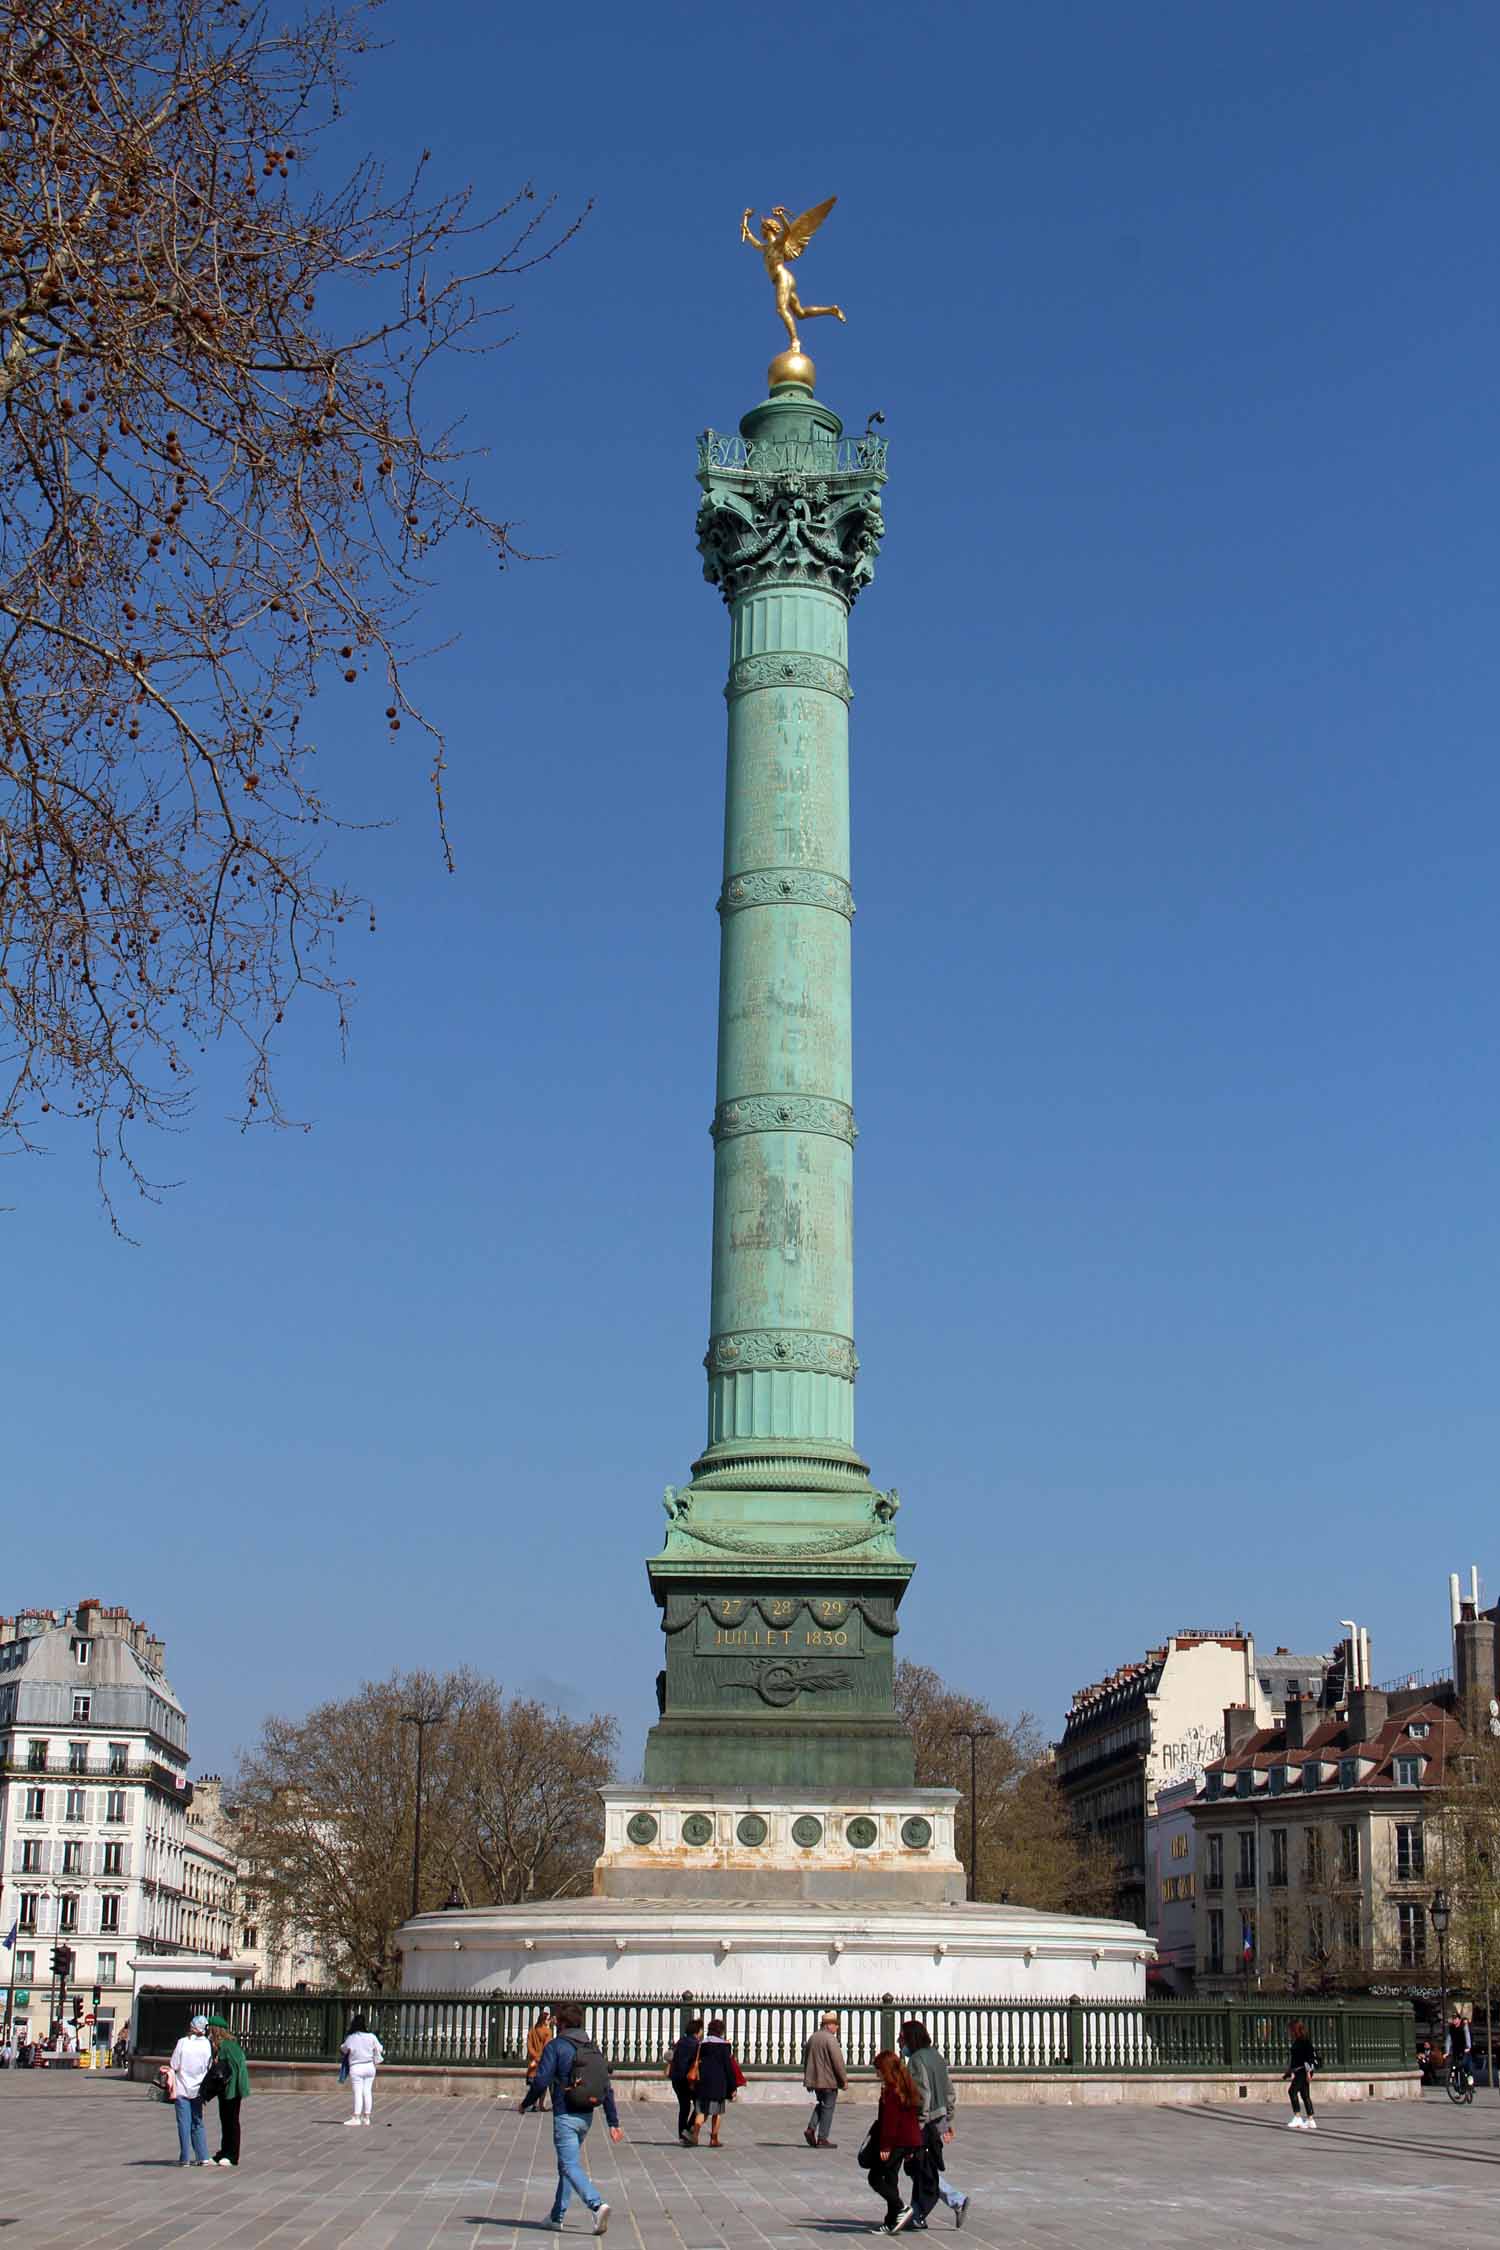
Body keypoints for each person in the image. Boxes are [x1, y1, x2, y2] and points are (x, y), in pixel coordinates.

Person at [527, 2002, 621, 2233]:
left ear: (564, 2023)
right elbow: (605, 2087)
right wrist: (613, 2122)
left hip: (565, 2113)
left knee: (569, 2165)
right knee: (566, 2167)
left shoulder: (556, 2046)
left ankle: (597, 2205)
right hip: (586, 2116)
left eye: (557, 2021)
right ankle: (556, 2216)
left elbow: (541, 2081)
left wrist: (525, 2103)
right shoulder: (592, 2047)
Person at [898, 2021, 970, 2229]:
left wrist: (917, 2125)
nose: (899, 2041)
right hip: (937, 2120)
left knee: (920, 2166)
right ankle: (921, 2211)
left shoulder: (916, 2061)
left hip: (925, 2122)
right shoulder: (937, 2057)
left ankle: (921, 2212)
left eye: (902, 2037)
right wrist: (948, 2120)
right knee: (922, 2166)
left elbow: (923, 2096)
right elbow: (949, 2092)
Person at [864, 2049, 923, 2235]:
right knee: (891, 2177)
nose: (876, 2073)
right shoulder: (905, 2085)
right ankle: (891, 2221)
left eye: (878, 2069)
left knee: (875, 2177)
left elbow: (890, 2122)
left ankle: (900, 2208)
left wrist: (885, 2146)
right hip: (908, 2140)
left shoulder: (891, 2091)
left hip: (896, 2141)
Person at [168, 2012, 214, 2167]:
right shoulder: (206, 2044)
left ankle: (185, 2157)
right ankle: (203, 2156)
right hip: (198, 2088)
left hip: (182, 2087)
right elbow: (208, 2066)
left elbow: (174, 2064)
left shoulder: (182, 2042)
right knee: (197, 2121)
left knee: (183, 2122)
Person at [205, 2014, 251, 2167]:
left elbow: (236, 2068)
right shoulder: (223, 2045)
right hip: (225, 2090)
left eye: (210, 2028)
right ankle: (224, 2152)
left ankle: (232, 2155)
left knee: (231, 2122)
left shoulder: (228, 2046)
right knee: (225, 2121)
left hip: (231, 2090)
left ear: (215, 2029)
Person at [689, 2018, 739, 2150]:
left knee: (701, 2111)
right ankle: (714, 2138)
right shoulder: (724, 2046)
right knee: (717, 2112)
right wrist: (733, 2086)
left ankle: (695, 2135)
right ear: (721, 2031)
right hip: (718, 2083)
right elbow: (728, 2068)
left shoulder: (701, 2044)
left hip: (703, 2082)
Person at [801, 2012, 848, 2148]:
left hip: (815, 2080)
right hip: (828, 2080)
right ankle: (822, 2138)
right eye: (835, 2025)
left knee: (822, 2104)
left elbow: (806, 2060)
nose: (837, 2028)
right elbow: (838, 2062)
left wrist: (808, 2079)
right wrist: (843, 2079)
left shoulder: (813, 2038)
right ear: (829, 2025)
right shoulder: (830, 2039)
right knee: (828, 2108)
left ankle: (811, 2128)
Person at [341, 2014, 385, 2125]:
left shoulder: (351, 2037)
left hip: (356, 2067)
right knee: (367, 2091)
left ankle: (356, 2117)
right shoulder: (371, 2036)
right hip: (370, 2066)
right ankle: (367, 2117)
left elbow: (344, 2049)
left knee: (358, 2092)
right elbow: (380, 2048)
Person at [668, 2016, 703, 2144]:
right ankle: (687, 2129)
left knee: (684, 2106)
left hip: (676, 2078)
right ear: (697, 2031)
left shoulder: (680, 2041)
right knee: (700, 2103)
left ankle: (682, 2133)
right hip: (688, 2079)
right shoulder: (696, 2045)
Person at [1283, 2019, 1318, 2130]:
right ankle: (1310, 2119)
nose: (1289, 2032)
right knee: (1305, 2095)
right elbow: (1295, 2059)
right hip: (1299, 2070)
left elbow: (1309, 2058)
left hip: (1303, 2071)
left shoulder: (1304, 2041)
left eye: (1290, 2030)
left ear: (1295, 2030)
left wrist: (1308, 2072)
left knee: (1292, 2091)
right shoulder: (1298, 2041)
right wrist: (1289, 2071)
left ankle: (1297, 2117)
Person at [520, 2007, 556, 2113]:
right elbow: (547, 2046)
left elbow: (529, 2045)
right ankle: (541, 2105)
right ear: (545, 2020)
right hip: (543, 2060)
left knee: (533, 2082)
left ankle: (534, 2104)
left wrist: (534, 2055)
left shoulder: (532, 2030)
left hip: (533, 2060)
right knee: (542, 2083)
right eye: (547, 2019)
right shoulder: (547, 2031)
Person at [1447, 2008, 1473, 2093]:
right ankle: (1457, 2088)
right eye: (1453, 2019)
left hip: (1464, 2050)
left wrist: (1468, 2047)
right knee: (1454, 2068)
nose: (1454, 2020)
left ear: (1459, 2019)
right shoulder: (1451, 2028)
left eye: (1456, 2019)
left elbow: (1467, 2036)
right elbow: (1448, 2040)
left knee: (1466, 2068)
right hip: (1455, 2051)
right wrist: (1447, 2052)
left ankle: (1470, 2083)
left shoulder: (1463, 2026)